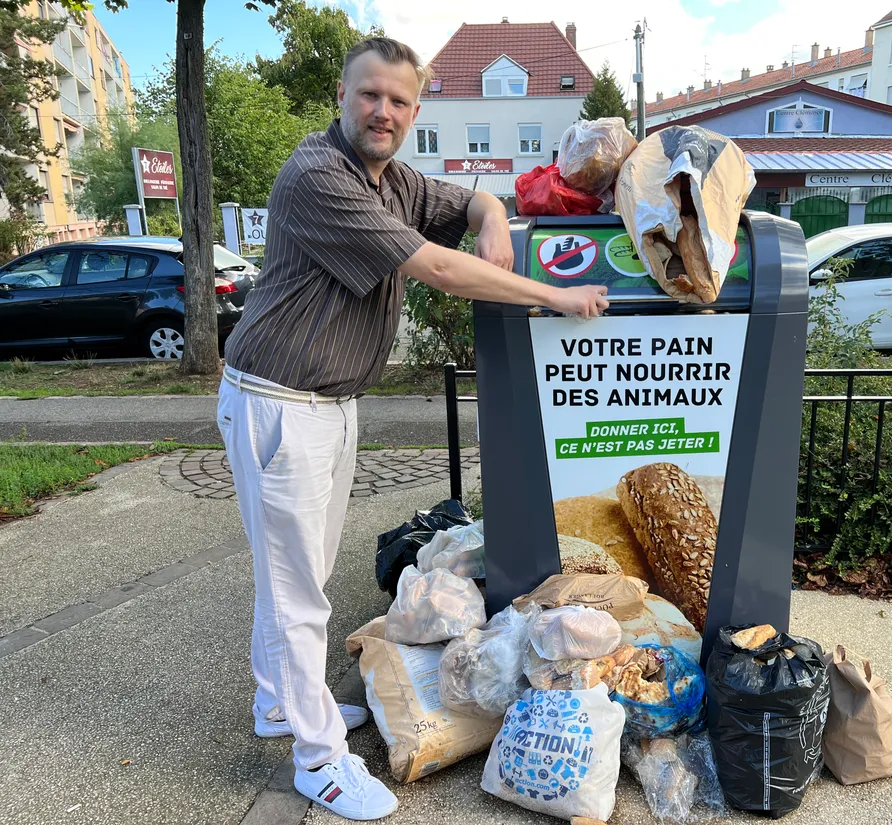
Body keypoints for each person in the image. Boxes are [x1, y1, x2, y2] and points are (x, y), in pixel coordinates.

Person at [217, 36, 608, 822]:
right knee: (299, 596)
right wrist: (553, 295)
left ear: (416, 109)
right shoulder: (320, 177)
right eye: (370, 95)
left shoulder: (392, 178)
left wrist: (494, 209)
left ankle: (276, 705)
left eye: (399, 100)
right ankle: (320, 762)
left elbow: (466, 203)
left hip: (327, 403)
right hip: (279, 403)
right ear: (341, 94)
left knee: (298, 579)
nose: (383, 111)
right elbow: (438, 267)